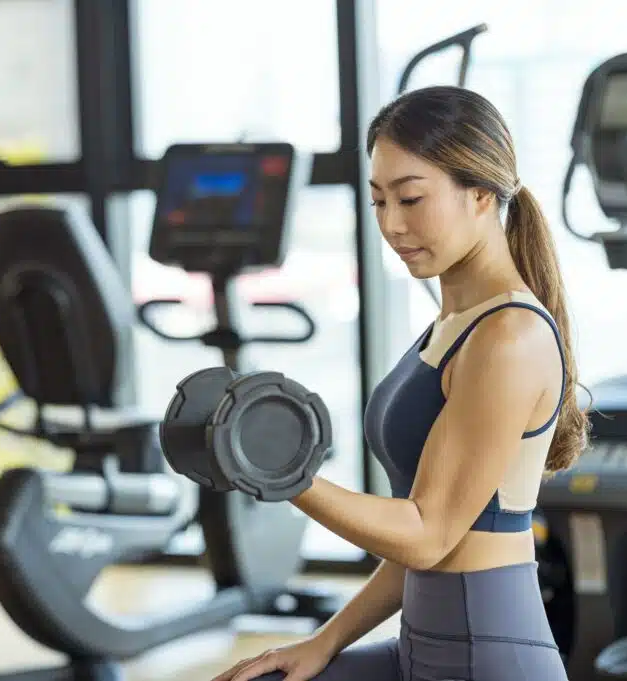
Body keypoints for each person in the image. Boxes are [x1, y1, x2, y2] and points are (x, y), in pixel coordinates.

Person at [212, 85, 590, 681]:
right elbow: (415, 543)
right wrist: (324, 641)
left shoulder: (508, 336)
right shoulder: (452, 324)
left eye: (411, 199)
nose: (393, 224)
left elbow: (427, 536)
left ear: (482, 195)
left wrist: (283, 475)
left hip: (487, 658)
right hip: (421, 646)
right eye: (378, 202)